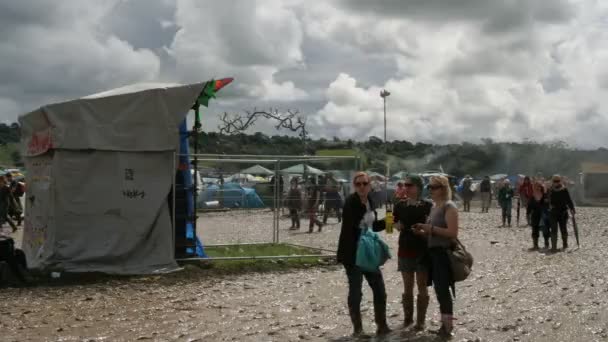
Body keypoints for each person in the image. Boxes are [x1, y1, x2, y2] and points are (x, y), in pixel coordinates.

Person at [336, 172, 391, 336]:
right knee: (356, 291)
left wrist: (391, 220)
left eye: (364, 184)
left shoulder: (371, 200)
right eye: (358, 184)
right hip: (352, 253)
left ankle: (382, 325)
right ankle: (358, 330)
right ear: (354, 186)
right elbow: (354, 226)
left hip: (367, 251)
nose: (361, 187)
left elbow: (373, 226)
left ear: (369, 185)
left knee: (380, 290)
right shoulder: (351, 202)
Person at [412, 175, 459, 337]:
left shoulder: (449, 206)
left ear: (443, 188)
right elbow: (433, 234)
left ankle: (447, 328)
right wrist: (422, 232)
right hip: (433, 253)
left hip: (443, 254)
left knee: (443, 290)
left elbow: (452, 233)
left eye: (434, 187)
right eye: (429, 187)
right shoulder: (434, 207)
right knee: (439, 290)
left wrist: (429, 228)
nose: (430, 190)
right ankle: (444, 326)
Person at [392, 175, 433, 330]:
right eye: (405, 185)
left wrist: (423, 229)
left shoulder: (428, 205)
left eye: (410, 185)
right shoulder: (399, 205)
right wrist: (397, 226)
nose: (406, 188)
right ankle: (408, 319)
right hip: (405, 248)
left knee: (422, 285)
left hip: (423, 250)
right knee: (407, 286)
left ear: (418, 187)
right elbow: (390, 223)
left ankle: (420, 321)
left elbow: (433, 226)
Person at [547, 175, 575, 252]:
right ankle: (554, 247)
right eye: (555, 181)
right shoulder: (550, 190)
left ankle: (565, 244)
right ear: (553, 181)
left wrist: (572, 209)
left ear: (560, 181)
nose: (556, 183)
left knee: (563, 229)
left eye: (557, 181)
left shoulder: (564, 190)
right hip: (553, 212)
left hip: (563, 212)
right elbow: (547, 200)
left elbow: (569, 200)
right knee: (553, 229)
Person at [528, 181, 550, 250]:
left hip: (543, 215)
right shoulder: (532, 197)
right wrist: (528, 215)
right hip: (535, 215)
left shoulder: (544, 195)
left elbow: (547, 205)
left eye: (538, 186)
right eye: (536, 186)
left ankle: (546, 244)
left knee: (545, 230)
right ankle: (535, 245)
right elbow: (529, 207)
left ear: (541, 187)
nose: (537, 188)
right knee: (535, 230)